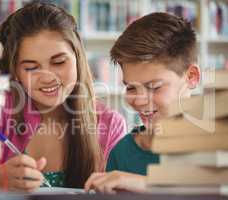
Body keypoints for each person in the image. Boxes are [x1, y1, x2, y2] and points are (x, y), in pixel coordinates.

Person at [0, 1, 126, 192]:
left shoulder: (111, 124)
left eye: (58, 62)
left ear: (78, 58)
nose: (48, 78)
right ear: (15, 71)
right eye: (31, 68)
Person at [85, 12, 201, 194]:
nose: (139, 100)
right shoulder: (122, 153)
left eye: (154, 87)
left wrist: (147, 185)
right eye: (131, 88)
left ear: (191, 77)